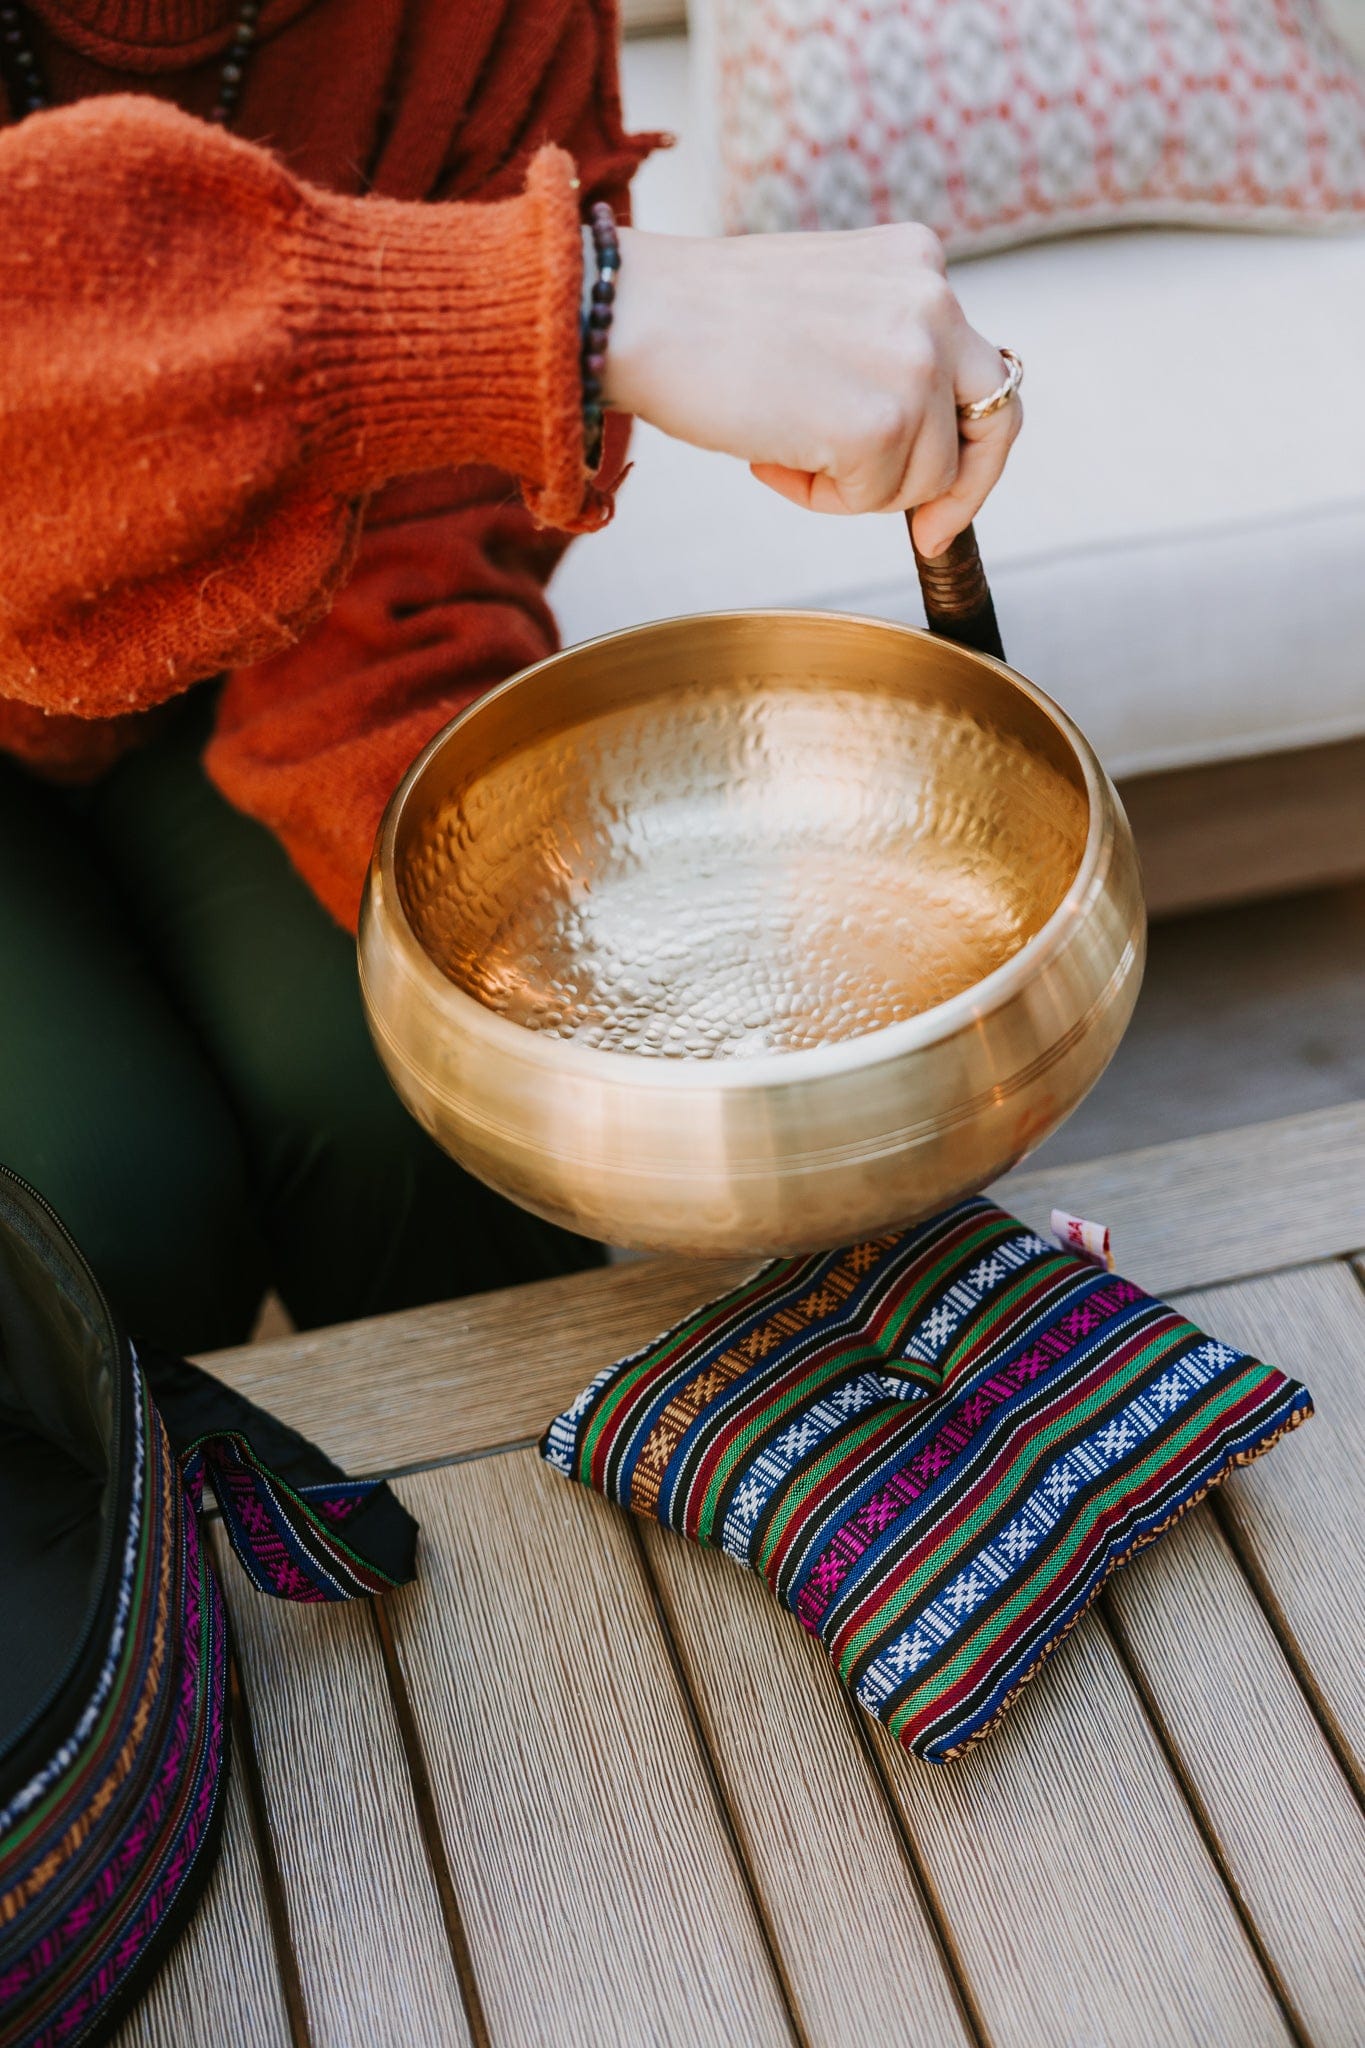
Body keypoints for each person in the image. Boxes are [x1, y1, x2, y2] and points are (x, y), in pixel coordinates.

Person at [0, 0, 1022, 1356]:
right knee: (102, 1213)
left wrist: (554, 969)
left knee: (426, 1111)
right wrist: (557, 308)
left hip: (275, 642)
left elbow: (426, 523)